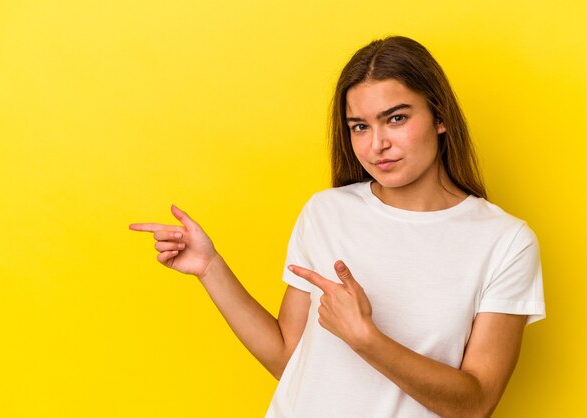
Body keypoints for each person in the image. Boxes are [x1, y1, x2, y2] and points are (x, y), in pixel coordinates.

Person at [129, 36, 545, 417]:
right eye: (359, 127)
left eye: (396, 119)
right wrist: (210, 268)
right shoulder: (326, 212)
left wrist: (366, 339)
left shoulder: (504, 241)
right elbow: (288, 357)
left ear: (439, 117)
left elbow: (476, 404)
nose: (376, 144)